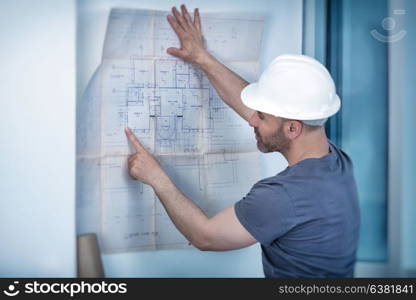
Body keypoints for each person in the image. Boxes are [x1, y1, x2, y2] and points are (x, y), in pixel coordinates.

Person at [124, 5, 360, 277]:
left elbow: (205, 236)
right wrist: (203, 58)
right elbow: (256, 110)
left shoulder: (283, 196)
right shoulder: (337, 163)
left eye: (261, 118)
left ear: (293, 129)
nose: (251, 120)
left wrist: (156, 177)